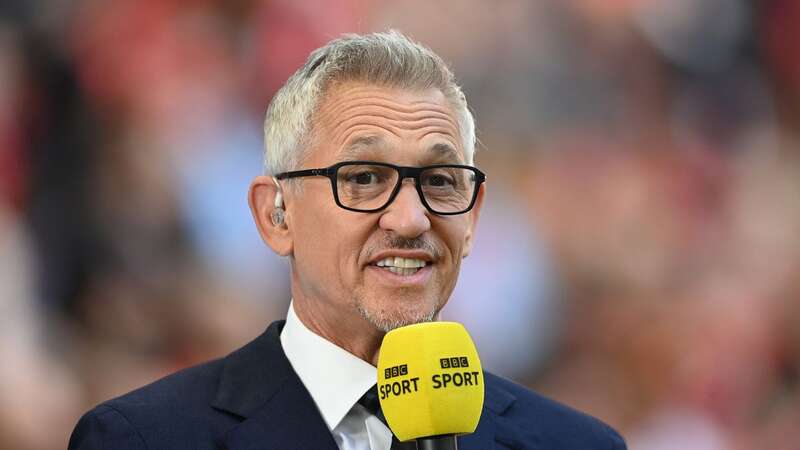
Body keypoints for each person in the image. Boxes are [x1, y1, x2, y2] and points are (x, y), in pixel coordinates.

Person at [68, 30, 626, 450]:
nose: (410, 219)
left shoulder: (575, 444)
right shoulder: (143, 440)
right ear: (276, 215)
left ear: (473, 219)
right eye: (363, 179)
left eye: (439, 181)